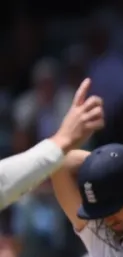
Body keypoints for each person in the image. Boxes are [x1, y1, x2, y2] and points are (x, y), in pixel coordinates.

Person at [0, 79, 104, 210]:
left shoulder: (63, 101)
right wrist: (63, 139)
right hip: (38, 183)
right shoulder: (28, 106)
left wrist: (63, 141)